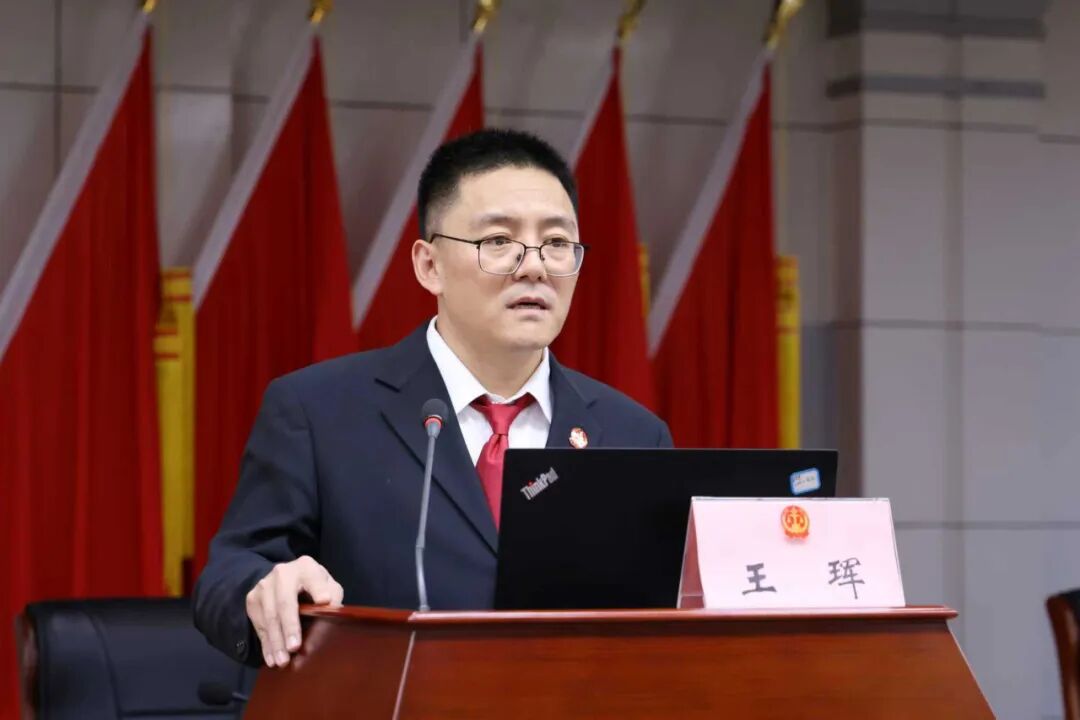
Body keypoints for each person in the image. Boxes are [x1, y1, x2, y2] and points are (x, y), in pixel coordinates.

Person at [193, 129, 673, 669]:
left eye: (557, 243)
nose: (535, 266)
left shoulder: (634, 435)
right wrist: (266, 587)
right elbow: (228, 575)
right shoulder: (318, 411)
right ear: (429, 266)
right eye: (499, 241)